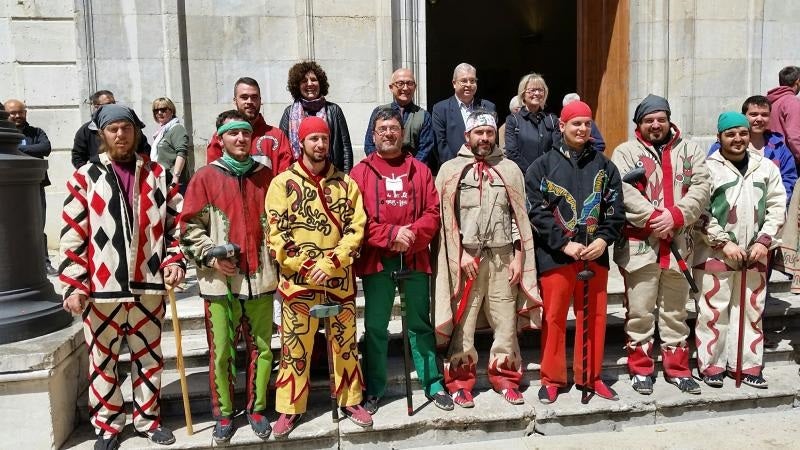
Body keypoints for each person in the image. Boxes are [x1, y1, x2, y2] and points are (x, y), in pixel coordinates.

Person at [60, 104, 185, 450]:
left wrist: (175, 260)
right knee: (104, 361)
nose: (120, 135)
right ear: (102, 134)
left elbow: (178, 226)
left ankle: (147, 419)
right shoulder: (84, 177)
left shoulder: (159, 175)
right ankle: (109, 424)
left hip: (149, 285)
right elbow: (73, 234)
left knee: (149, 358)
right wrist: (74, 283)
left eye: (126, 128)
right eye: (113, 129)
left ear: (135, 132)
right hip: (102, 290)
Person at [266, 116, 370, 437]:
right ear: (302, 143)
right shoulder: (282, 184)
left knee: (346, 345)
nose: (320, 145)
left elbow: (357, 228)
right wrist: (308, 267)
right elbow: (276, 233)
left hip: (338, 282)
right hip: (297, 284)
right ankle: (289, 407)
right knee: (295, 348)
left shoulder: (346, 184)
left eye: (324, 139)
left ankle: (350, 400)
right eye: (313, 139)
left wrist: (332, 263)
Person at [180, 111, 278, 443]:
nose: (240, 139)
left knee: (262, 349)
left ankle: (257, 408)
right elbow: (188, 227)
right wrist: (212, 256)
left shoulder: (266, 176)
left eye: (245, 134)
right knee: (221, 352)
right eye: (233, 134)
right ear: (220, 138)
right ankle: (223, 413)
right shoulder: (205, 177)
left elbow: (279, 221)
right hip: (219, 284)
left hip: (260, 279)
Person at [433, 110, 541, 408]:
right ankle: (460, 382)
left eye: (489, 133)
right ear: (467, 136)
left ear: (495, 135)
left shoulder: (510, 169)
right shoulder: (450, 170)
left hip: (503, 257)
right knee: (463, 323)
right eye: (478, 133)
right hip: (466, 260)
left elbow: (520, 217)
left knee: (505, 321)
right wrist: (462, 253)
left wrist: (519, 256)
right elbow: (445, 219)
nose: (484, 138)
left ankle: (506, 378)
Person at [350, 108, 454, 414]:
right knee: (376, 326)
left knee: (420, 324)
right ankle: (375, 387)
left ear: (402, 133)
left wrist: (410, 237)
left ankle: (433, 383)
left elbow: (433, 214)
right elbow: (358, 219)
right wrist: (392, 234)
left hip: (414, 259)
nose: (388, 133)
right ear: (373, 135)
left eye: (393, 128)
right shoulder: (361, 172)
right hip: (378, 261)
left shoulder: (420, 170)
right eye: (382, 129)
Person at [610, 94, 711, 395]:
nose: (655, 124)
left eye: (660, 119)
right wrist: (657, 218)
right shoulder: (625, 152)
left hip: (680, 246)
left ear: (669, 120)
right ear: (639, 123)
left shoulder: (690, 150)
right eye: (648, 120)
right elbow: (623, 190)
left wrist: (677, 216)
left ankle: (678, 369)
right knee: (640, 311)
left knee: (675, 312)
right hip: (641, 248)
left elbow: (702, 187)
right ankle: (641, 368)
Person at [526, 100, 625, 404]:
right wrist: (563, 243)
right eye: (575, 123)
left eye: (586, 123)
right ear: (562, 126)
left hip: (594, 255)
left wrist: (603, 240)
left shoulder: (605, 166)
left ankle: (591, 377)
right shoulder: (542, 166)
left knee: (594, 317)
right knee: (554, 318)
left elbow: (616, 209)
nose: (582, 129)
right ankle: (553, 378)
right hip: (557, 257)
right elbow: (537, 211)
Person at [693, 112, 785, 389]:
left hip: (755, 253)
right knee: (713, 311)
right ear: (719, 136)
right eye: (731, 133)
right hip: (716, 254)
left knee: (751, 311)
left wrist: (764, 241)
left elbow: (777, 206)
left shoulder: (766, 167)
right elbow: (699, 212)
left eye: (742, 133)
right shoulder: (707, 168)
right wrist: (723, 242)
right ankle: (712, 364)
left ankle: (747, 364)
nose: (738, 139)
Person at [709, 95, 797, 206]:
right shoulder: (721, 147)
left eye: (764, 115)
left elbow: (789, 179)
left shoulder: (780, 148)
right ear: (743, 116)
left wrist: (775, 205)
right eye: (753, 114)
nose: (759, 119)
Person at [4, 98, 57, 275]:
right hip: (7, 189)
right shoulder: (3, 133)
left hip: (35, 187)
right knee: (9, 228)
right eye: (13, 112)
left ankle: (44, 263)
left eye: (21, 112)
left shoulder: (35, 132)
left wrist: (16, 151)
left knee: (37, 225)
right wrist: (26, 151)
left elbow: (45, 148)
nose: (18, 115)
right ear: (5, 114)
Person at [205, 77, 293, 174]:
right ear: (235, 100)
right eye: (244, 97)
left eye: (254, 97)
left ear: (260, 100)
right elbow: (213, 176)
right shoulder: (223, 136)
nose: (250, 102)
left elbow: (285, 178)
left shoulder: (277, 136)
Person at [279, 61, 353, 173]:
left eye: (314, 80)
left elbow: (345, 148)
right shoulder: (289, 113)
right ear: (297, 86)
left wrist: (346, 177)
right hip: (298, 176)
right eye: (304, 81)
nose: (310, 84)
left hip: (331, 175)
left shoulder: (334, 110)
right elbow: (283, 149)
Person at [431, 63, 496, 173]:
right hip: (453, 170)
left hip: (485, 169)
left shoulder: (488, 107)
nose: (469, 84)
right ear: (454, 83)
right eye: (464, 81)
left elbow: (491, 140)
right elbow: (440, 145)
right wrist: (458, 168)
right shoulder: (440, 109)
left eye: (472, 80)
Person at [363, 68, 435, 164]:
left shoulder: (423, 116)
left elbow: (425, 149)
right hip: (381, 170)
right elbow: (369, 145)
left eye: (410, 83)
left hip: (412, 171)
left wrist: (408, 169)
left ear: (415, 87)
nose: (405, 88)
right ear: (391, 87)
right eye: (400, 83)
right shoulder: (379, 112)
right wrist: (381, 165)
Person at [71, 90, 150, 168]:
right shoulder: (86, 130)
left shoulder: (131, 126)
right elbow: (78, 157)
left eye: (114, 103)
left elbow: (145, 150)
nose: (120, 134)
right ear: (96, 106)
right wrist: (91, 173)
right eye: (108, 104)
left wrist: (139, 169)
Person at [503, 73, 560, 175]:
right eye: (532, 90)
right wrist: (532, 171)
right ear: (523, 93)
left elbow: (557, 148)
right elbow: (512, 152)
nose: (537, 93)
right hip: (523, 176)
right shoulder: (513, 120)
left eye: (540, 90)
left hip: (548, 176)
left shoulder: (552, 119)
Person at [150, 97, 192, 192]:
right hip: (162, 180)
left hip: (174, 183)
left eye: (163, 109)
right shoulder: (161, 132)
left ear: (172, 111)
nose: (159, 113)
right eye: (156, 110)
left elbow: (182, 153)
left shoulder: (177, 129)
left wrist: (175, 178)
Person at [766, 66, 800, 164]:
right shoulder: (792, 102)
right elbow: (795, 136)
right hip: (788, 162)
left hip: (772, 157)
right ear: (798, 81)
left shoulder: (770, 101)